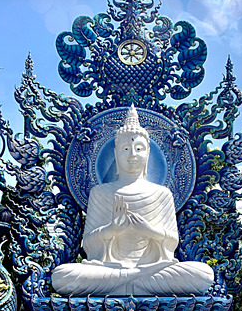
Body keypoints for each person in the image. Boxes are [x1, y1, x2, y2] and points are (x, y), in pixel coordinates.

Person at [51, 105, 214, 296]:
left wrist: (150, 231)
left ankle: (127, 284)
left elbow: (172, 242)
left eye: (139, 149)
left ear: (147, 154)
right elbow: (88, 244)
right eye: (126, 148)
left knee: (202, 274)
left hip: (151, 269)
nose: (132, 155)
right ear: (116, 154)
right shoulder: (100, 193)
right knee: (62, 275)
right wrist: (111, 230)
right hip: (109, 270)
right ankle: (136, 283)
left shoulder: (161, 194)